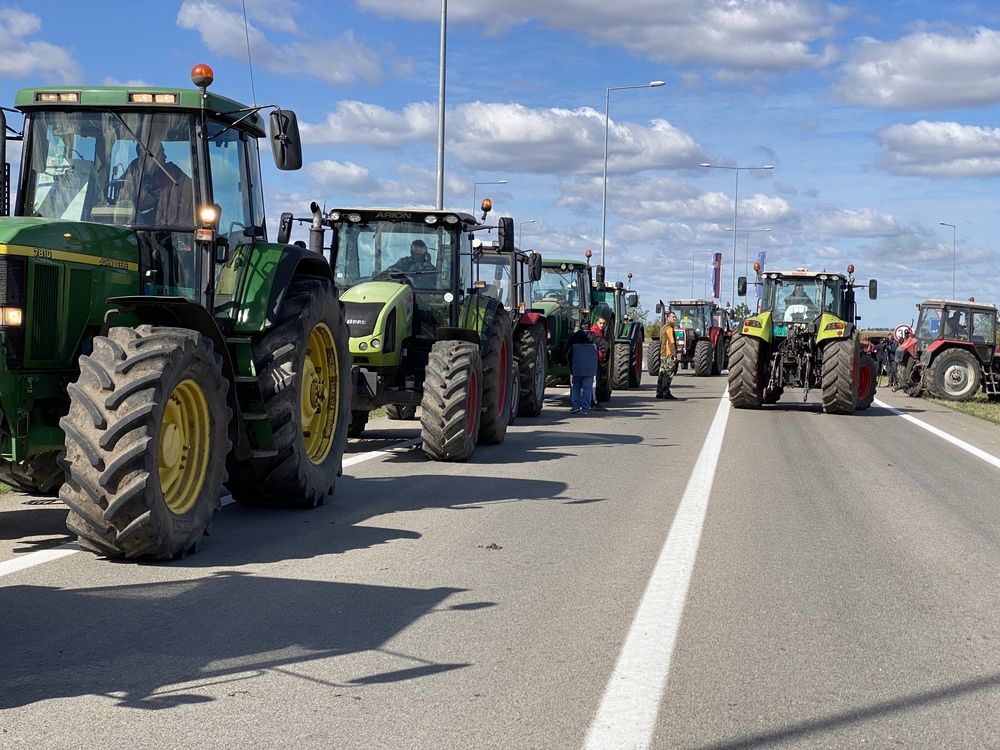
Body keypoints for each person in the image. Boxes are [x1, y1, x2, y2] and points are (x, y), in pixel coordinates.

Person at [118, 140, 194, 226]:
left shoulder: (173, 172)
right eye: (162, 152)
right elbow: (121, 199)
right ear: (150, 154)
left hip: (170, 227)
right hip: (134, 226)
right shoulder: (129, 175)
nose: (165, 156)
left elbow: (193, 193)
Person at [565, 323, 602, 415]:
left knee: (576, 386)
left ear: (580, 326)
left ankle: (575, 407)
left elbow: (566, 349)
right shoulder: (594, 336)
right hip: (590, 367)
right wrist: (603, 359)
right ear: (590, 326)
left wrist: (567, 361)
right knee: (587, 388)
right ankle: (585, 409)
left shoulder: (574, 336)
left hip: (577, 365)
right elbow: (605, 347)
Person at [656, 310, 681, 399]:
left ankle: (659, 392)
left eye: (675, 317)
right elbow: (671, 342)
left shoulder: (664, 328)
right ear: (668, 318)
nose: (675, 318)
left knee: (662, 373)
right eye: (673, 317)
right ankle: (666, 392)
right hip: (668, 354)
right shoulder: (669, 329)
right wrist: (674, 355)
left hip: (663, 354)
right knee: (668, 374)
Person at [589, 316, 609, 411]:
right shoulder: (594, 332)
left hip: (598, 360)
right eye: (600, 323)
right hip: (594, 360)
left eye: (604, 323)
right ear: (596, 322)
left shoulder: (601, 332)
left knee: (597, 381)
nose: (602, 325)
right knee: (594, 382)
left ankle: (593, 401)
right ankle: (594, 402)